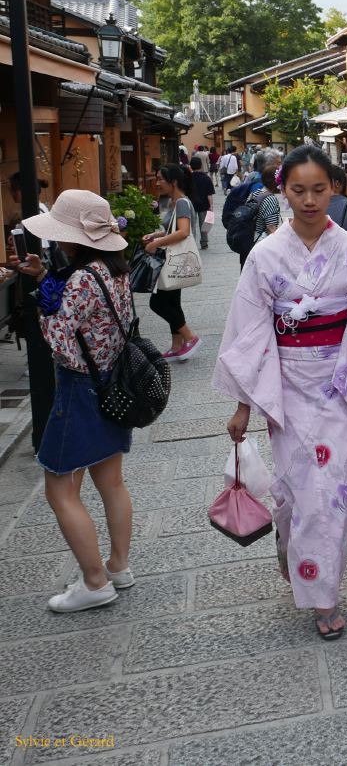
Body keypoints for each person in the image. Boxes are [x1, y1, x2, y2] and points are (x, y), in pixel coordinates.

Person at [215, 145, 347, 640]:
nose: (310, 200)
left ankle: (324, 595)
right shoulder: (266, 254)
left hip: (341, 384)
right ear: (284, 191)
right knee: (297, 490)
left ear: (333, 188)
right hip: (288, 386)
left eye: (319, 189)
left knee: (334, 490)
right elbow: (250, 332)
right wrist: (243, 405)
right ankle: (291, 540)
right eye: (299, 190)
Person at [8, 190, 136, 612]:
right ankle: (118, 566)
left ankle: (95, 582)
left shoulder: (81, 279)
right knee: (111, 482)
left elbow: (60, 341)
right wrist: (45, 278)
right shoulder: (114, 271)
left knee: (59, 489)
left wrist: (45, 306)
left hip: (80, 389)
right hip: (112, 384)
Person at [145, 164, 202, 361]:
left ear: (174, 182)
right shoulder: (174, 202)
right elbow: (172, 228)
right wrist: (156, 235)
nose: (157, 183)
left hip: (176, 259)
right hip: (174, 260)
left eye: (160, 179)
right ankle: (177, 345)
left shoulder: (182, 203)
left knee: (157, 303)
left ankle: (190, 337)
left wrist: (157, 243)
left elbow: (183, 232)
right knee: (172, 303)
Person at [189, 157, 215, 250]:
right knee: (204, 224)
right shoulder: (206, 178)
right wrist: (211, 206)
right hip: (204, 204)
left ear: (191, 166)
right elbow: (209, 194)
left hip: (191, 204)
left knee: (191, 224)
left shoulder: (188, 178)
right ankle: (204, 242)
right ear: (200, 165)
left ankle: (191, 243)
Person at [253, 164, 282, 245]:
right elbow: (271, 227)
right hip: (262, 241)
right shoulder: (270, 199)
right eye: (281, 181)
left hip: (252, 238)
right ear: (275, 182)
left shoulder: (256, 193)